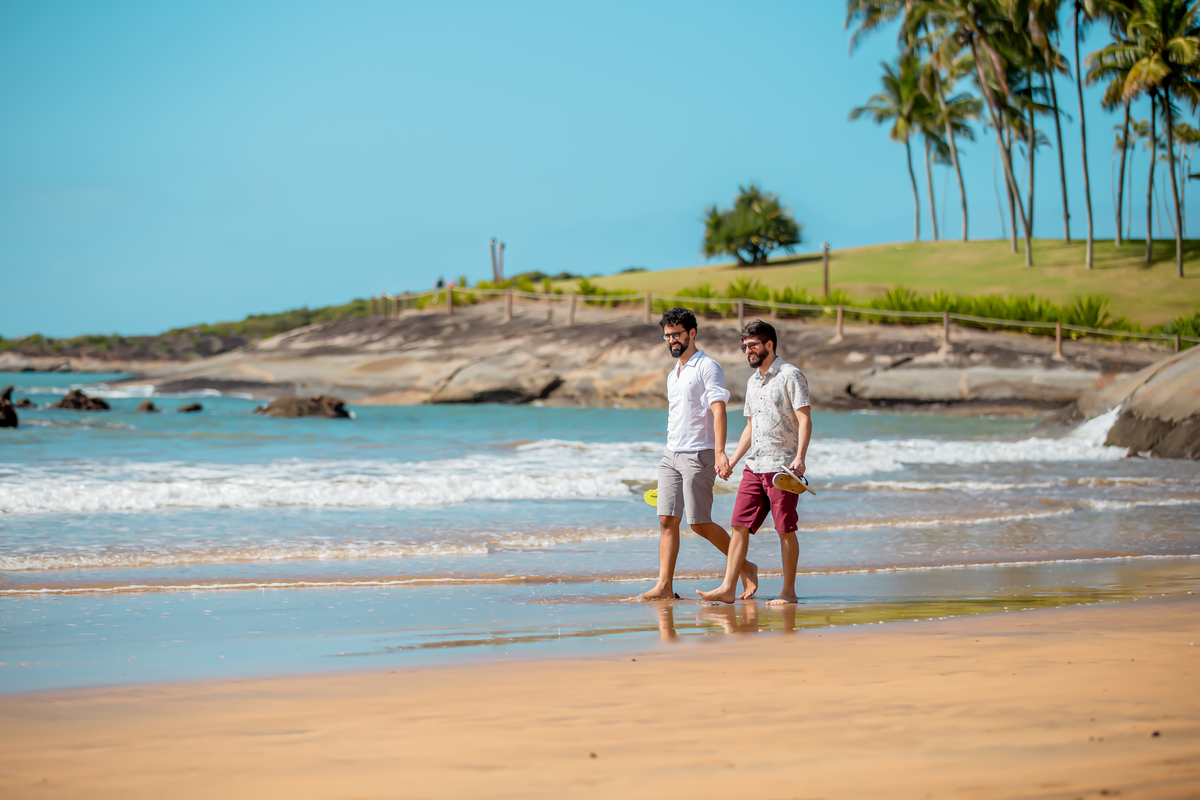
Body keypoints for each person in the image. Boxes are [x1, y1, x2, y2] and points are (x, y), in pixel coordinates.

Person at [637, 307, 758, 601]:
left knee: (699, 522)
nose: (671, 340)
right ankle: (664, 586)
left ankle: (745, 567)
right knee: (667, 520)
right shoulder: (673, 374)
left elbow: (719, 410)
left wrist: (720, 453)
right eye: (666, 336)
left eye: (676, 334)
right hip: (671, 455)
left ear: (692, 333)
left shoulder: (708, 367)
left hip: (699, 454)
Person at [697, 319, 811, 606]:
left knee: (785, 528)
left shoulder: (791, 375)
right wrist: (733, 459)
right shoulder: (752, 382)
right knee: (738, 525)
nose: (747, 350)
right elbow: (751, 426)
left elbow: (804, 418)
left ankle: (788, 591)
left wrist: (800, 458)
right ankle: (727, 587)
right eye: (744, 346)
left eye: (752, 345)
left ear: (769, 345)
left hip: (782, 467)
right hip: (754, 465)